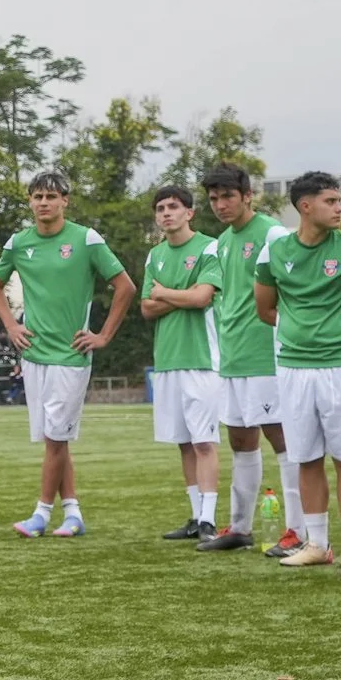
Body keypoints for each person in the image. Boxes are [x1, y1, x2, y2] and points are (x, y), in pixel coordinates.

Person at [253, 171, 341, 569]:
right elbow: (265, 309)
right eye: (330, 201)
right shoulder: (274, 252)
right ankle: (317, 544)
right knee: (305, 456)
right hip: (293, 369)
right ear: (305, 206)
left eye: (339, 200)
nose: (339, 207)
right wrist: (300, 332)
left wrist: (336, 331)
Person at [0, 170, 132, 539]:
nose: (43, 203)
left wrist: (103, 336)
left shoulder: (86, 239)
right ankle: (73, 514)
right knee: (56, 438)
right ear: (30, 202)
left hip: (71, 355)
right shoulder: (18, 242)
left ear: (65, 200)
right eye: (37, 197)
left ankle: (40, 513)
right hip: (33, 354)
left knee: (55, 438)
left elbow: (125, 286)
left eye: (51, 197)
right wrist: (11, 326)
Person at [203, 164, 295, 554]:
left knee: (282, 438)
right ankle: (240, 527)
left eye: (227, 196)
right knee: (240, 438)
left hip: (265, 355)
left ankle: (298, 530)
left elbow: (293, 284)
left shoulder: (273, 234)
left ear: (247, 196)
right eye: (214, 198)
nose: (221, 205)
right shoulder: (220, 243)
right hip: (233, 357)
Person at [141, 185, 226, 545]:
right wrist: (180, 296)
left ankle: (209, 519)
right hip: (168, 360)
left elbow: (203, 297)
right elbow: (146, 308)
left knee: (205, 441)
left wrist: (165, 293)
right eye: (160, 208)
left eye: (173, 207)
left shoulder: (209, 247)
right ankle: (195, 516)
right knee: (183, 442)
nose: (166, 213)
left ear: (189, 212)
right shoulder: (154, 255)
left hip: (202, 360)